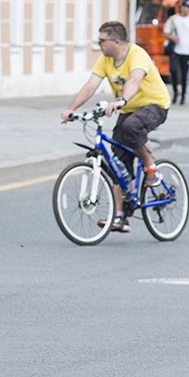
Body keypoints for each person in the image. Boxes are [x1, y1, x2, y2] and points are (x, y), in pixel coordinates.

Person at [61, 21, 171, 233]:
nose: (99, 44)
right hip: (129, 108)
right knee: (117, 162)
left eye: (102, 40)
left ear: (116, 41)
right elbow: (91, 85)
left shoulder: (137, 55)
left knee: (131, 127)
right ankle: (120, 217)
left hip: (155, 105)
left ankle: (151, 168)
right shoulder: (105, 61)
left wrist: (121, 100)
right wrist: (71, 109)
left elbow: (134, 80)